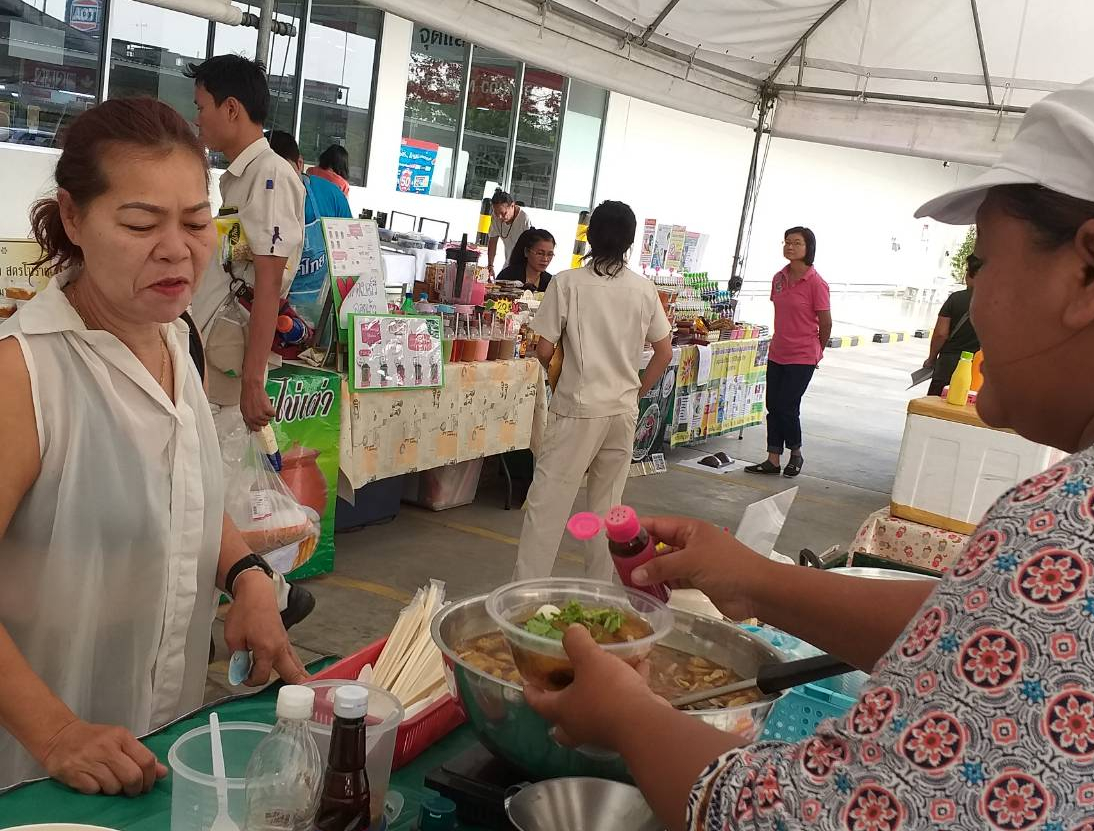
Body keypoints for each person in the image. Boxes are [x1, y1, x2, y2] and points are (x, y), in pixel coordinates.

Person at [526, 78, 1094, 830]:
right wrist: (757, 581)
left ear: (1086, 269)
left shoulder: (1062, 524)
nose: (967, 303)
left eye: (980, 263)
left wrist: (628, 715)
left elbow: (800, 817)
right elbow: (979, 632)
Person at [0, 98, 307, 793]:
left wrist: (248, 577)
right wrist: (57, 734)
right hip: (35, 772)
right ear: (74, 218)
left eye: (197, 221)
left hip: (158, 744)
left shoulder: (175, 336)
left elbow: (184, 492)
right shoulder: (25, 375)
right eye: (141, 223)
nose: (178, 248)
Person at [514, 201, 673, 580]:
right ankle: (597, 592)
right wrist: (636, 393)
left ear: (591, 236)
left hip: (578, 408)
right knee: (608, 509)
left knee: (548, 504)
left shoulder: (567, 283)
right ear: (630, 241)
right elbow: (664, 352)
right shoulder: (643, 288)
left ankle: (526, 593)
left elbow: (544, 349)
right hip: (621, 411)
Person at [186, 55, 306, 433]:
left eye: (202, 107)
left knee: (225, 483)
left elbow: (269, 281)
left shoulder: (270, 175)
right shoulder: (242, 176)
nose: (198, 118)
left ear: (232, 108)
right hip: (216, 350)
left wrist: (254, 382)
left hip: (232, 364)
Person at [746, 227, 831, 478]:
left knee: (787, 406)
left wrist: (818, 351)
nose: (790, 247)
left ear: (808, 248)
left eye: (796, 243)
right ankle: (773, 458)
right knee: (773, 405)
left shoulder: (816, 283)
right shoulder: (779, 278)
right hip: (778, 352)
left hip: (803, 355)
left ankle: (796, 453)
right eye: (787, 242)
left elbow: (825, 323)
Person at [925, 254, 982, 395]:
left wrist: (931, 359)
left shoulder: (956, 299)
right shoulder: (1001, 303)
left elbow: (940, 334)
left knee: (936, 406)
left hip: (948, 365)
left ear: (971, 274)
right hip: (977, 369)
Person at [267, 130, 353, 223]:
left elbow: (349, 234)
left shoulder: (334, 196)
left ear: (299, 164)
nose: (274, 180)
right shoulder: (254, 199)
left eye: (282, 171)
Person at [486, 189, 532, 276]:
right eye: (496, 213)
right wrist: (490, 265)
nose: (499, 217)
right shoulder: (495, 217)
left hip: (523, 266)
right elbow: (492, 241)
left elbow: (529, 248)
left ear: (512, 206)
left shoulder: (524, 219)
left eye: (503, 213)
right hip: (508, 263)